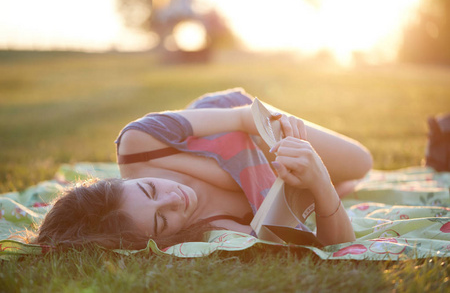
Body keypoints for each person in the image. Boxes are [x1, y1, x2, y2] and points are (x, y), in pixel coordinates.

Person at [34, 88, 372, 250]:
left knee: (361, 162)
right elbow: (336, 246)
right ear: (157, 240)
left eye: (150, 189)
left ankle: (319, 186)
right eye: (162, 219)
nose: (174, 200)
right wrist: (321, 182)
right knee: (342, 183)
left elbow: (242, 117)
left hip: (240, 128)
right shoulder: (223, 231)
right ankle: (325, 189)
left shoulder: (138, 144)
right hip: (277, 180)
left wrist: (283, 133)